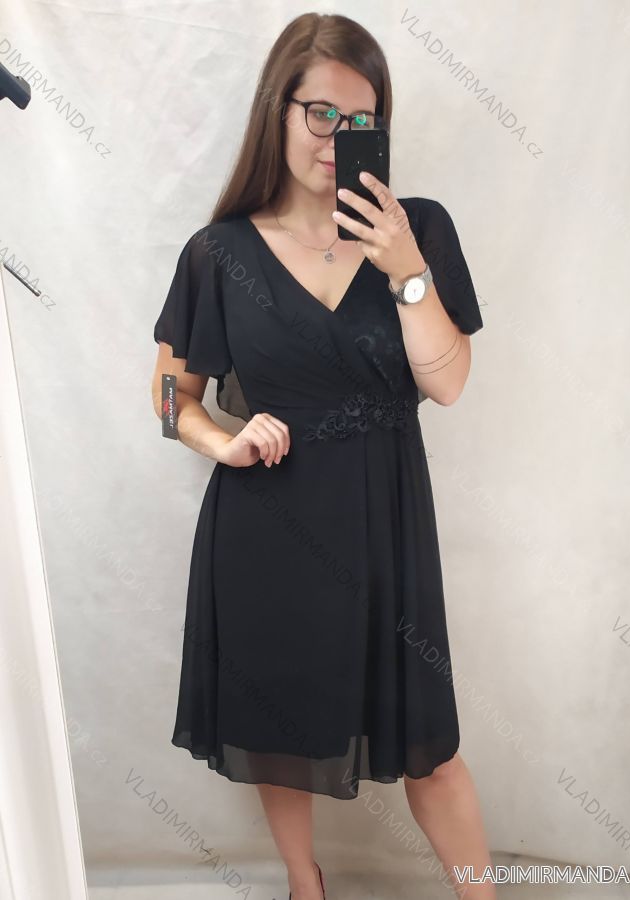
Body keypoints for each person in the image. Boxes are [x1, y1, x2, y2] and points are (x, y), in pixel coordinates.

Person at [151, 12, 495, 900]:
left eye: (360, 121)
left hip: (386, 522)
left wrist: (405, 267)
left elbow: (449, 384)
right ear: (278, 109)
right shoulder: (218, 253)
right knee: (281, 731)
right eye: (319, 114)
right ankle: (306, 887)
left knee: (429, 747)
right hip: (269, 520)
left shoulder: (418, 229)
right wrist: (224, 440)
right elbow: (171, 396)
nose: (337, 139)